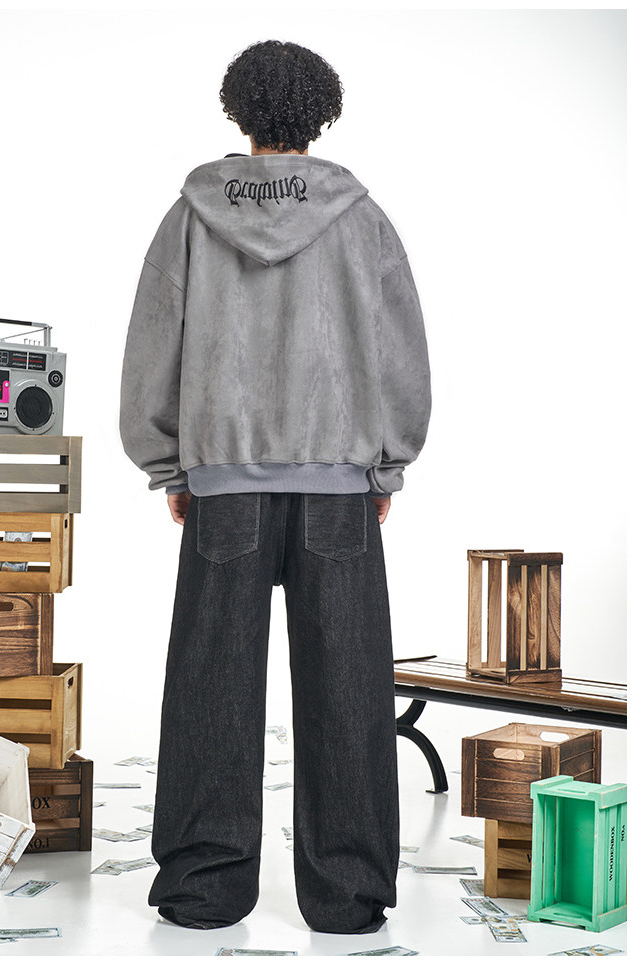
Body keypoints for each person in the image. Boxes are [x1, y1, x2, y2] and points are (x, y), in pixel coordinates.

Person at [119, 39, 431, 936]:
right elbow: (402, 352)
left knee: (210, 687)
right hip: (339, 491)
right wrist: (386, 463)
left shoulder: (190, 216)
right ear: (321, 114)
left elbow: (153, 345)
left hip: (224, 491)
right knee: (350, 693)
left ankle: (203, 890)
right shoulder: (362, 219)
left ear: (238, 111)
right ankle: (348, 896)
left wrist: (171, 465)